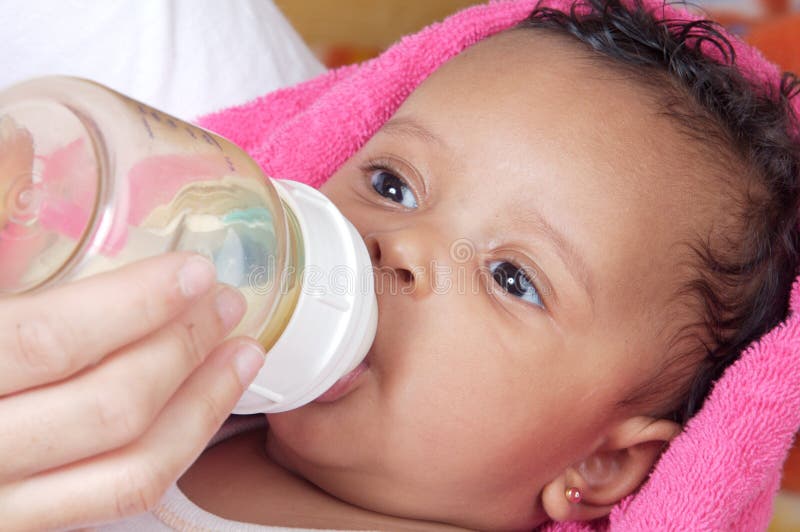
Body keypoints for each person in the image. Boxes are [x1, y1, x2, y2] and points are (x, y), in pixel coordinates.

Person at [3, 0, 800, 530]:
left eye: (512, 277)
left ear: (597, 462)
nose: (402, 246)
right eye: (393, 183)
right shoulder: (186, 389)